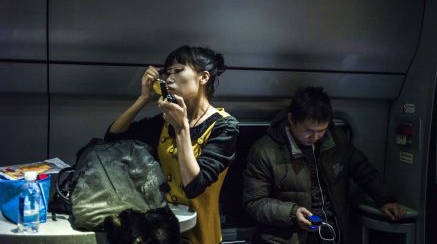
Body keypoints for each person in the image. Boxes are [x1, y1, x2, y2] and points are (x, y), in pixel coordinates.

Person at [104, 45, 239, 244]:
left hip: (200, 232)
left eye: (178, 70)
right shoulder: (165, 121)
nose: (169, 78)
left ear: (203, 77)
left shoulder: (224, 126)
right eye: (167, 72)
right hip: (163, 231)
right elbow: (113, 138)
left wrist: (182, 129)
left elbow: (194, 185)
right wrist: (143, 98)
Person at [242, 87, 405, 244]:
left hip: (332, 232)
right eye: (309, 130)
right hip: (289, 237)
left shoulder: (336, 140)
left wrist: (385, 200)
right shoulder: (264, 151)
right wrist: (292, 213)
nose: (316, 137)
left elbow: (363, 170)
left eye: (322, 130)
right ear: (291, 120)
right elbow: (255, 201)